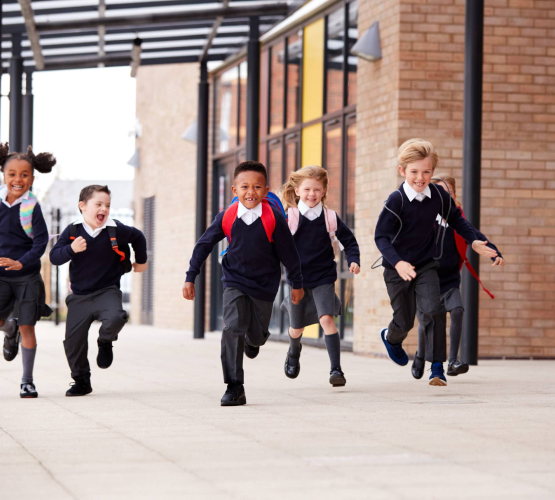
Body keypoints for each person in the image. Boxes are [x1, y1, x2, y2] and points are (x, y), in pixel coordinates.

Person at [374, 139, 499, 386]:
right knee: (405, 321)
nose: (421, 178)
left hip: (426, 265)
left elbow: (457, 220)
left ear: (432, 171)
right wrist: (398, 263)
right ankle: (391, 337)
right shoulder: (396, 200)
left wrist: (473, 241)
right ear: (402, 171)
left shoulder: (439, 196)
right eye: (414, 172)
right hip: (397, 269)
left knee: (434, 310)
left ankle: (437, 368)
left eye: (427, 172)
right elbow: (381, 236)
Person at [183, 161, 303, 406]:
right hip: (234, 281)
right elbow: (204, 245)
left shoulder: (274, 218)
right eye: (245, 187)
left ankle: (253, 340)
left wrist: (296, 283)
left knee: (256, 336)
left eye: (257, 187)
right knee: (232, 327)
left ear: (266, 190)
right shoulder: (227, 216)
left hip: (264, 285)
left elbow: (289, 254)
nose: (251, 192)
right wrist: (190, 276)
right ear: (234, 191)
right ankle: (234, 386)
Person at [50, 185, 148, 397]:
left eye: (108, 205)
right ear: (83, 206)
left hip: (107, 291)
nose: (104, 209)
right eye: (99, 204)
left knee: (116, 317)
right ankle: (82, 380)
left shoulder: (116, 229)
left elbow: (138, 237)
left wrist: (141, 261)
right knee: (73, 342)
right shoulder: (72, 231)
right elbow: (54, 257)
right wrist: (71, 249)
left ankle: (105, 340)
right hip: (79, 296)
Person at [412, 174, 504, 379]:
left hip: (450, 280)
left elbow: (478, 237)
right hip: (427, 281)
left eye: (449, 194)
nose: (445, 198)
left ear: (454, 197)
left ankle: (452, 361)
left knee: (457, 310)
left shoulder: (458, 221)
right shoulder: (424, 219)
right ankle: (419, 355)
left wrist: (495, 253)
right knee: (427, 322)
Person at [280, 166, 360, 387]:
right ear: (297, 191)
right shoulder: (289, 217)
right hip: (298, 280)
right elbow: (274, 244)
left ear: (324, 191)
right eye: (307, 189)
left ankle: (336, 369)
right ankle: (293, 351)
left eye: (317, 189)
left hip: (324, 277)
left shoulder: (330, 218)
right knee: (297, 328)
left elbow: (349, 242)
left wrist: (353, 260)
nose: (312, 194)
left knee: (327, 319)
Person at [0, 143, 56, 398]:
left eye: (24, 174)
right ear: (3, 175)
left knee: (27, 327)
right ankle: (8, 330)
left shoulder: (32, 207)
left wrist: (22, 262)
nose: (18, 179)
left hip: (26, 277)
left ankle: (27, 381)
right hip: (1, 276)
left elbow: (40, 242)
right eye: (12, 174)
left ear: (32, 178)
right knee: (8, 324)